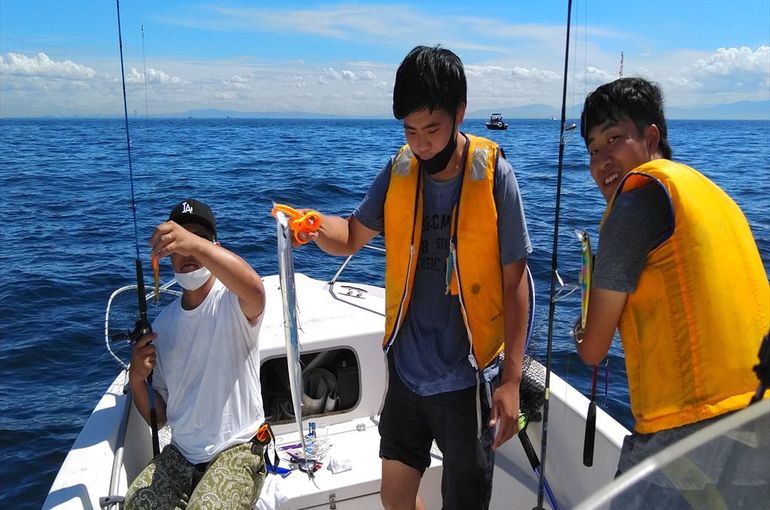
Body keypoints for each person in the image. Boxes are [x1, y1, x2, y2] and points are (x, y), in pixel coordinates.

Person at [299, 45, 532, 510]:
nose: (421, 144)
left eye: (432, 130)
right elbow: (351, 235)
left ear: (459, 113)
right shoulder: (399, 170)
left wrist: (510, 382)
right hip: (406, 374)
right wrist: (312, 224)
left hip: (466, 381)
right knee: (395, 498)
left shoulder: (494, 176)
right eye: (410, 130)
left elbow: (516, 282)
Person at [576, 77, 769, 502]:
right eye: (592, 150)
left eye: (614, 139)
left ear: (651, 138)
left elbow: (592, 350)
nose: (602, 160)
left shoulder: (634, 198)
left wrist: (580, 329)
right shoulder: (717, 197)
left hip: (691, 437)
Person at [125, 199, 268, 509]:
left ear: (215, 248)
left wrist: (193, 245)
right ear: (168, 255)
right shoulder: (163, 327)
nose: (187, 250)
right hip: (180, 455)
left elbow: (255, 290)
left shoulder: (233, 301)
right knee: (136, 503)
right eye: (179, 243)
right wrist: (136, 379)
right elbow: (159, 418)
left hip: (239, 449)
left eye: (198, 238)